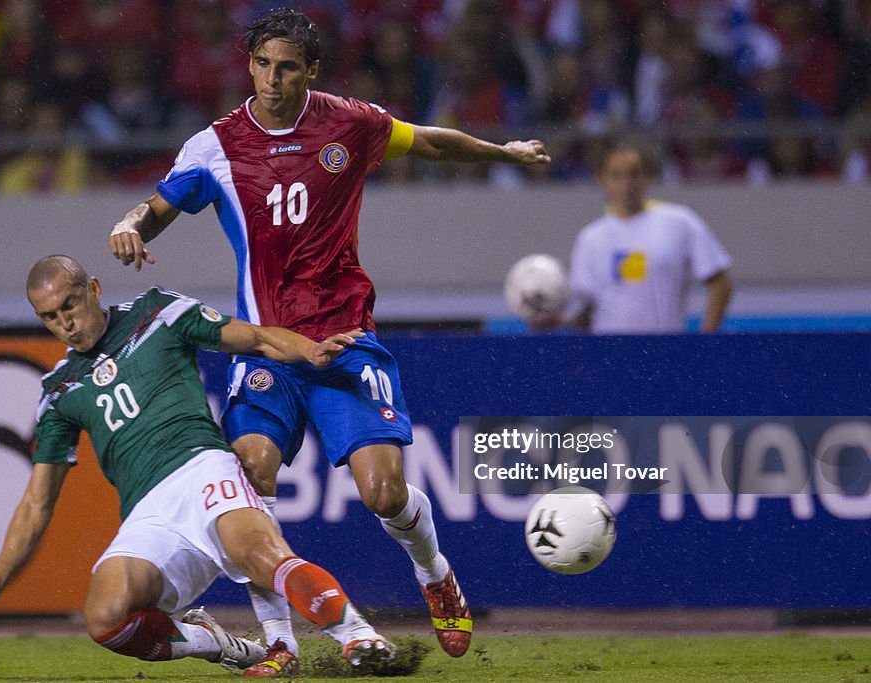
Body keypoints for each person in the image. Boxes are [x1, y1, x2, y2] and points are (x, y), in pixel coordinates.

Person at [107, 8, 551, 673]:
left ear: (311, 70)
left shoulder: (350, 122)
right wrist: (133, 220)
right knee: (250, 475)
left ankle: (435, 572)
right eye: (263, 65)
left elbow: (429, 142)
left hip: (344, 339)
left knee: (383, 492)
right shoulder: (216, 146)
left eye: (288, 67)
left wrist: (503, 152)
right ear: (249, 65)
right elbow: (162, 204)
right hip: (265, 347)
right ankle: (281, 641)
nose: (273, 79)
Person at [0, 255, 397, 676]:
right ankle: (216, 644)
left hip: (204, 470)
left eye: (69, 306)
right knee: (105, 616)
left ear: (93, 288)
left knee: (261, 555)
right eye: (50, 318)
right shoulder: (58, 391)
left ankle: (359, 636)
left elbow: (254, 337)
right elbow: (38, 503)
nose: (66, 325)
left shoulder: (157, 313)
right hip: (149, 514)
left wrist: (309, 350)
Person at [535, 141, 733, 334]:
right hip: (609, 356)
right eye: (616, 176)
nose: (626, 184)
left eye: (634, 174)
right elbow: (590, 312)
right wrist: (557, 321)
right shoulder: (590, 239)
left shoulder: (679, 222)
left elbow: (720, 282)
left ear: (647, 176)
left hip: (666, 355)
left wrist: (705, 343)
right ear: (601, 179)